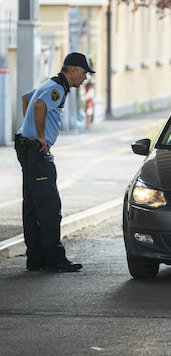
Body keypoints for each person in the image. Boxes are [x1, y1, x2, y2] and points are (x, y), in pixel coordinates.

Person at [14, 52, 94, 273]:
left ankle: (36, 259)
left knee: (32, 206)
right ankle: (54, 259)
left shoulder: (50, 83)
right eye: (84, 72)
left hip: (25, 147)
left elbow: (26, 99)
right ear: (73, 71)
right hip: (36, 153)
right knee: (49, 206)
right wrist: (39, 136)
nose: (85, 77)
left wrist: (28, 130)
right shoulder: (56, 89)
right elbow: (38, 105)